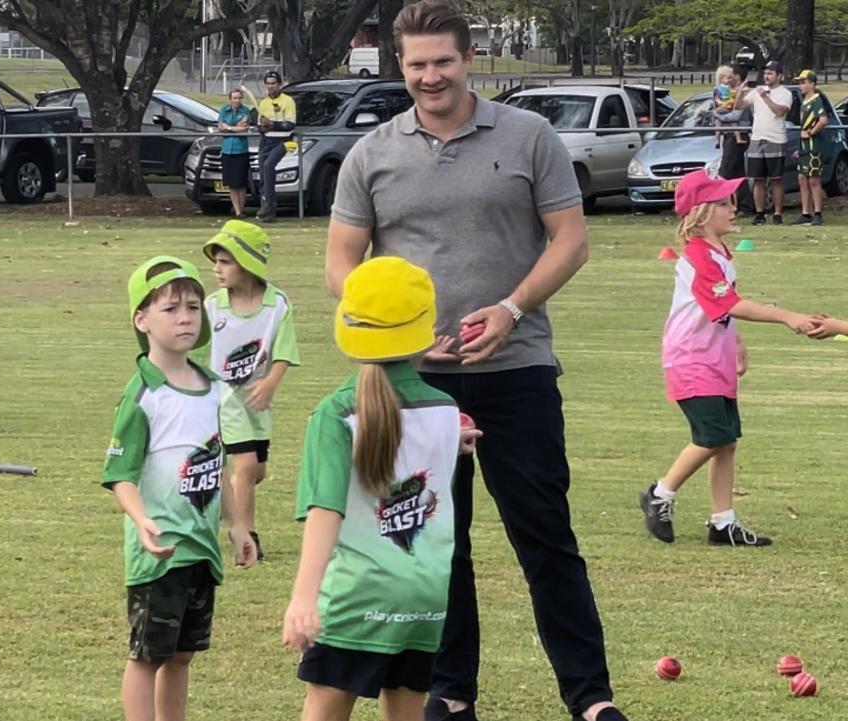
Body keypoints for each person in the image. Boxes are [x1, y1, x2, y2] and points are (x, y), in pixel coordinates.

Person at [323, 4, 628, 721]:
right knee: (435, 542)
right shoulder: (372, 153)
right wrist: (396, 328)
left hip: (518, 370)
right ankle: (450, 690)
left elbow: (571, 241)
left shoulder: (529, 137)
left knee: (546, 537)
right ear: (400, 66)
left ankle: (590, 697)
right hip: (414, 382)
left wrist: (512, 308)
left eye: (443, 62)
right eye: (416, 64)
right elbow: (341, 263)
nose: (430, 76)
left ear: (470, 58)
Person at [283, 257, 480, 721]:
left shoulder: (335, 413)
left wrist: (303, 597)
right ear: (426, 329)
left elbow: (325, 510)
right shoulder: (445, 410)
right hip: (427, 596)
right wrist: (453, 443)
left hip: (359, 594)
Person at [102, 255, 255, 721]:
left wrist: (238, 526)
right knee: (148, 654)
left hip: (201, 549)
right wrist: (142, 520)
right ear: (141, 320)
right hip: (161, 551)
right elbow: (120, 475)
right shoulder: (143, 395)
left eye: (192, 306)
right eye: (170, 309)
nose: (185, 317)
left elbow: (217, 461)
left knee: (183, 654)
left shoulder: (212, 387)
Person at [639, 170, 816, 548]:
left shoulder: (720, 254)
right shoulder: (700, 256)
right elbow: (731, 303)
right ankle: (660, 493)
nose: (733, 208)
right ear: (700, 214)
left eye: (731, 201)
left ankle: (723, 523)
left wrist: (736, 342)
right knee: (713, 436)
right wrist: (786, 315)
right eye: (722, 203)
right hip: (691, 360)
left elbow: (720, 311)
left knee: (726, 442)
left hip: (713, 358)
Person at [202, 220, 300, 561]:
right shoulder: (211, 307)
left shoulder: (278, 305)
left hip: (257, 403)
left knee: (257, 472)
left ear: (247, 263)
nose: (216, 269)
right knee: (244, 467)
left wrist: (270, 383)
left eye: (225, 261)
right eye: (215, 261)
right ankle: (245, 535)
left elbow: (284, 351)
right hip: (225, 401)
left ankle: (216, 493)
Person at [734, 60, 791, 225]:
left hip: (776, 138)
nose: (767, 76)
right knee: (758, 179)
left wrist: (764, 96)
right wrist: (741, 91)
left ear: (779, 76)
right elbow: (738, 107)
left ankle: (778, 213)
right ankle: (760, 213)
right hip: (757, 138)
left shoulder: (784, 93)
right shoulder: (757, 91)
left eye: (770, 73)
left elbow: (779, 111)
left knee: (776, 179)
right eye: (765, 73)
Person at [712, 64, 754, 214]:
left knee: (726, 170)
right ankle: (746, 205)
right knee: (737, 172)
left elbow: (736, 114)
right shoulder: (725, 93)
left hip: (737, 135)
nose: (730, 79)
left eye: (732, 76)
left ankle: (717, 203)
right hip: (729, 134)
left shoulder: (740, 94)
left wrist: (718, 115)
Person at [792, 69, 831, 226]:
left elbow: (823, 120)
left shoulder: (816, 100)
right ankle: (805, 212)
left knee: (814, 178)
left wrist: (811, 132)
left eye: (803, 82)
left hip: (814, 146)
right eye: (800, 83)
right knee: (802, 178)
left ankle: (817, 213)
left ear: (812, 84)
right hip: (804, 146)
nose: (801, 85)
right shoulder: (805, 102)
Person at [256, 71, 296, 223]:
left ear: (279, 84)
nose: (271, 86)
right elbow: (260, 127)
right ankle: (268, 213)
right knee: (262, 173)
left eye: (273, 83)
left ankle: (269, 203)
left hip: (284, 141)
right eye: (268, 84)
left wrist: (272, 124)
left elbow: (290, 125)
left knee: (268, 166)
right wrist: (263, 127)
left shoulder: (288, 101)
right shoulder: (264, 103)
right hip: (266, 141)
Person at [217, 89, 251, 217]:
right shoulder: (224, 110)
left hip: (240, 150)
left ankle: (241, 210)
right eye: (234, 98)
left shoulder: (245, 111)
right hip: (227, 150)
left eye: (239, 98)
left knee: (241, 183)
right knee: (231, 184)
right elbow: (220, 127)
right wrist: (232, 128)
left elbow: (244, 128)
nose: (237, 100)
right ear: (230, 99)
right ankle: (236, 210)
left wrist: (229, 127)